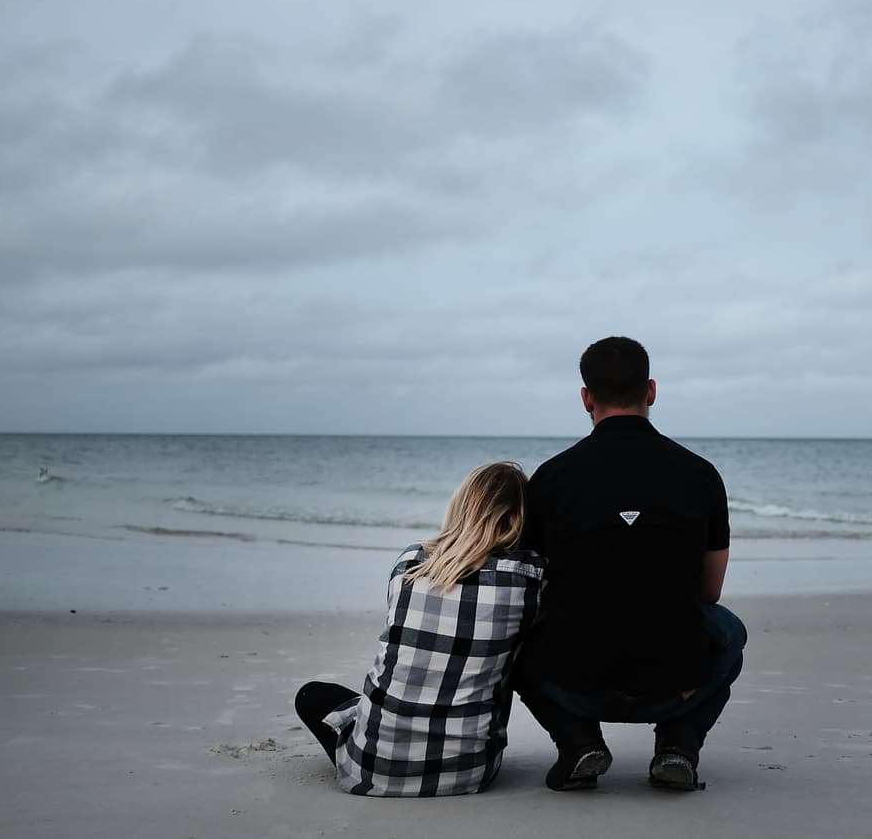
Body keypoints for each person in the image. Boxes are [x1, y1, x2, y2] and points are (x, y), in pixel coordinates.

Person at [515, 336, 747, 793]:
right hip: (675, 684)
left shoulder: (551, 477)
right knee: (730, 632)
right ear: (651, 391)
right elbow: (710, 591)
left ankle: (577, 742)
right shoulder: (700, 474)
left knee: (519, 635)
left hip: (574, 683)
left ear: (586, 398)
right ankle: (679, 746)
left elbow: (531, 583)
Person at [294, 462, 544, 796]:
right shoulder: (530, 578)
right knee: (504, 659)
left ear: (462, 506)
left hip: (370, 769)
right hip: (469, 773)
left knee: (312, 695)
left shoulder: (411, 560)